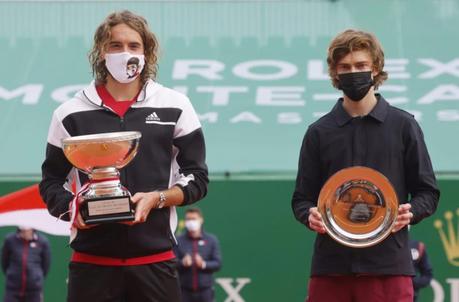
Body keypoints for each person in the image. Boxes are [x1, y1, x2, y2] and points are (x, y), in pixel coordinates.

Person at [39, 10, 208, 302]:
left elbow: (198, 178)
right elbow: (51, 182)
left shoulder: (175, 105)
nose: (124, 53)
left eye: (133, 45)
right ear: (101, 52)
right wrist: (74, 208)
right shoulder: (69, 113)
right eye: (115, 45)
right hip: (91, 264)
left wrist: (157, 198)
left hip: (156, 262)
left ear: (147, 52)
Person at [291, 29, 440, 302]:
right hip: (331, 270)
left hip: (389, 268)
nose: (353, 73)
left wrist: (411, 211)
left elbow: (428, 193)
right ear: (335, 74)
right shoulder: (318, 132)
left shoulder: (404, 126)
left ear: (375, 69)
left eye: (361, 66)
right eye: (345, 67)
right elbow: (301, 199)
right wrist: (308, 215)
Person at [175, 208, 222, 302]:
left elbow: (218, 263)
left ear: (201, 220)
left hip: (205, 292)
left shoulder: (211, 240)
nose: (191, 222)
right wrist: (182, 263)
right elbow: (172, 263)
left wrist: (203, 264)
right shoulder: (178, 240)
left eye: (194, 219)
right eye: (188, 219)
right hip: (184, 291)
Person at [1, 227, 51, 302]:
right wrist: (12, 275)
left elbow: (46, 265)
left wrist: (36, 278)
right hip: (12, 289)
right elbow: (4, 262)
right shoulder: (9, 240)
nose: (25, 230)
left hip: (34, 291)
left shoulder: (43, 242)